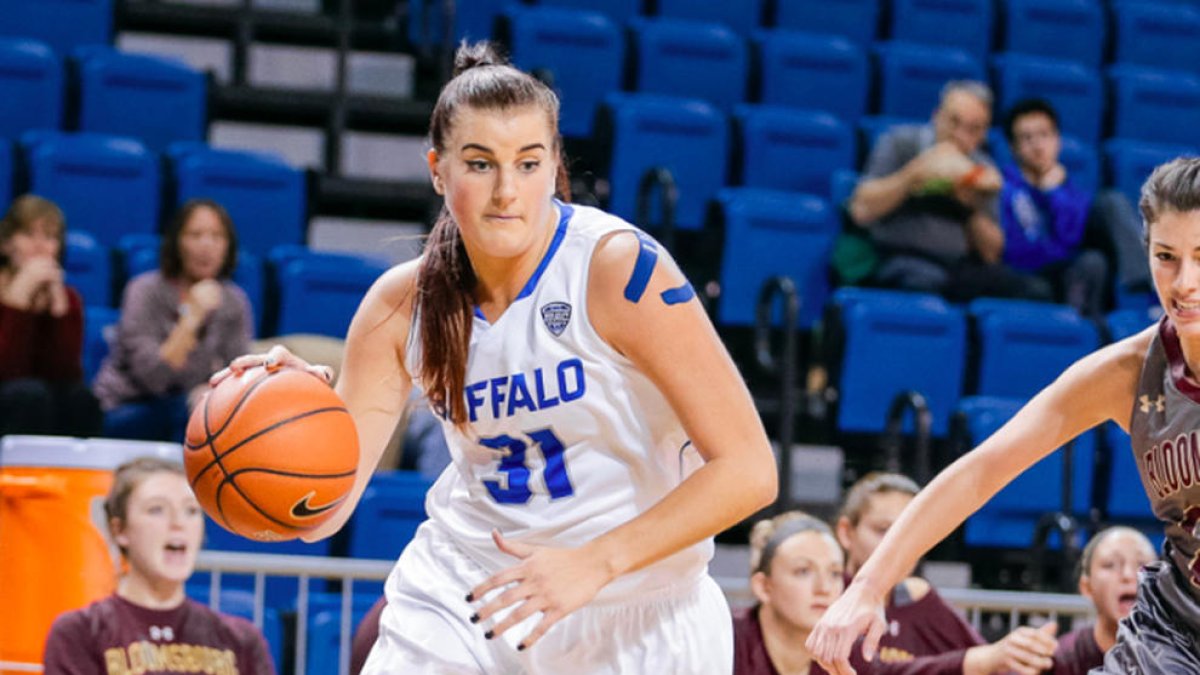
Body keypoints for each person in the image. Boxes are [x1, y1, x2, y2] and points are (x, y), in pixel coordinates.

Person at [216, 41, 777, 673]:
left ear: (555, 163)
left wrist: (593, 562)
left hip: (639, 601)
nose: (507, 191)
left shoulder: (616, 269)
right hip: (468, 587)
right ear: (438, 170)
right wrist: (293, 425)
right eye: (480, 164)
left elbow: (750, 470)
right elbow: (321, 515)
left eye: (528, 163)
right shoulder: (400, 305)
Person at [807, 157, 1200, 675]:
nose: (1184, 281)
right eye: (1166, 256)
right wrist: (868, 586)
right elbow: (981, 470)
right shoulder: (1126, 371)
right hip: (1172, 631)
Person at [42, 456, 275, 674]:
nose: (178, 523)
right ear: (119, 529)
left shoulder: (241, 639)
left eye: (191, 510)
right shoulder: (80, 632)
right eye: (157, 509)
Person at [835, 473, 1058, 675]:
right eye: (883, 530)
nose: (895, 546)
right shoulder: (825, 597)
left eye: (909, 534)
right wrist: (982, 661)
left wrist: (1020, 655)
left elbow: (990, 658)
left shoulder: (918, 599)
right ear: (846, 533)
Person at [850, 81, 1050, 304]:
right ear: (937, 116)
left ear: (983, 134)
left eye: (973, 129)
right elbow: (861, 211)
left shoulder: (982, 169)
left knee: (1034, 290)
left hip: (958, 266)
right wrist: (913, 175)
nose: (960, 135)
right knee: (923, 285)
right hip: (901, 256)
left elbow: (991, 254)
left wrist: (969, 206)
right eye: (954, 122)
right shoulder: (900, 144)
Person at [93, 200, 253, 441]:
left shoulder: (234, 300)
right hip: (128, 406)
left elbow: (239, 376)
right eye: (195, 235)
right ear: (177, 242)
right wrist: (192, 317)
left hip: (193, 406)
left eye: (217, 236)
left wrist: (211, 392)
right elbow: (154, 378)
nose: (206, 245)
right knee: (193, 411)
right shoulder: (144, 290)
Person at [0, 194, 101, 437]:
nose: (39, 246)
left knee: (81, 398)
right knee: (29, 394)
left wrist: (58, 309)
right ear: (6, 244)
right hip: (16, 396)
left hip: (40, 398)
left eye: (49, 236)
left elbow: (67, 375)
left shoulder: (69, 299)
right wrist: (17, 302)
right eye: (28, 234)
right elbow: (6, 370)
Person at [998, 99, 1107, 317]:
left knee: (1093, 261)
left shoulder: (1070, 190)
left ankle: (1083, 327)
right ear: (1013, 147)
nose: (1038, 146)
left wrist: (1053, 192)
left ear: (1057, 140)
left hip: (1064, 271)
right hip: (1026, 275)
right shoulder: (1005, 188)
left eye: (1044, 135)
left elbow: (1070, 238)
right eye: (1027, 138)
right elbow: (1015, 252)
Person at [1048, 526, 1157, 674]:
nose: (1128, 575)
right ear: (1087, 587)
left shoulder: (1178, 660)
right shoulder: (1058, 660)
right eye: (1110, 564)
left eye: (1142, 564)